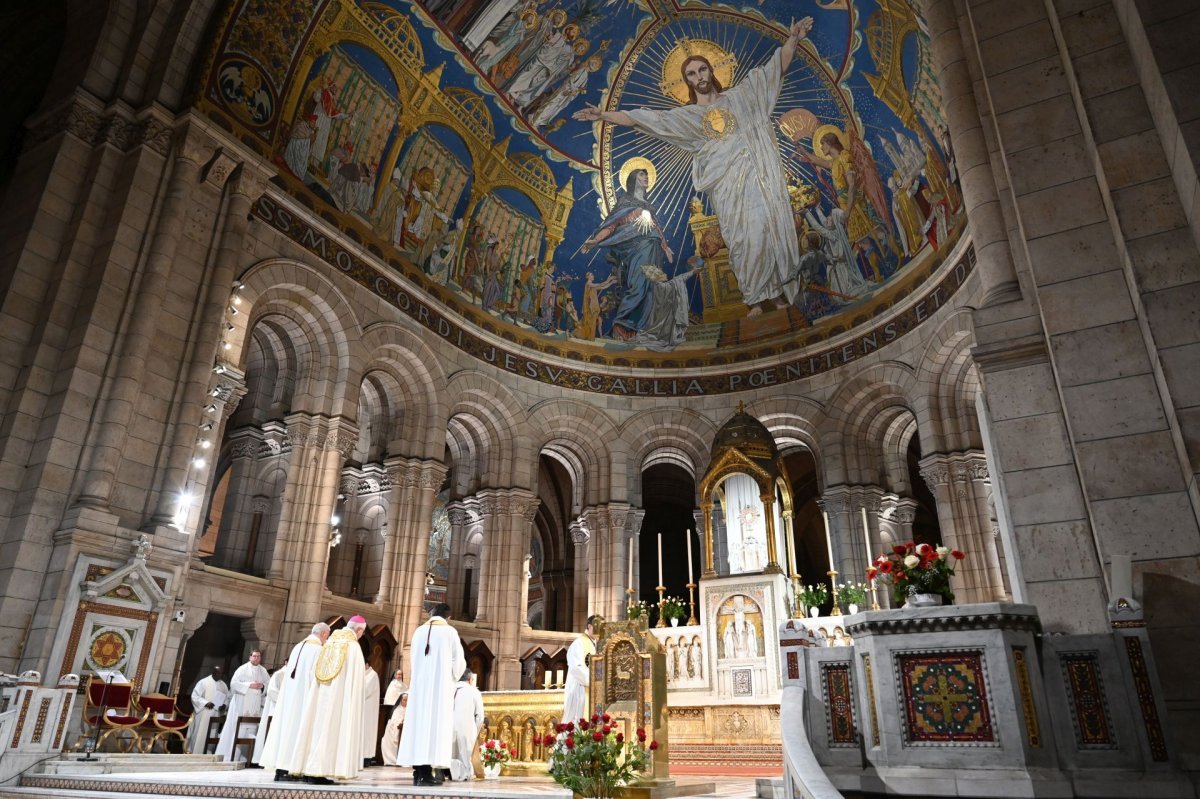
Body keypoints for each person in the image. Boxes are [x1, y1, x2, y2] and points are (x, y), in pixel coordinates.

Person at [573, 17, 814, 317]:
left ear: (711, 70)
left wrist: (793, 39)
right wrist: (603, 115)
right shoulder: (686, 117)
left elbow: (773, 71)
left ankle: (776, 294)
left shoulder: (741, 97)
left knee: (763, 229)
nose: (698, 75)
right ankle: (754, 297)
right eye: (691, 73)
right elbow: (646, 119)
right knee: (740, 237)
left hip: (755, 179)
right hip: (726, 188)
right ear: (686, 81)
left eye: (702, 69)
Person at [582, 168, 674, 342]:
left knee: (652, 289)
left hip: (653, 248)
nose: (645, 178)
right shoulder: (625, 201)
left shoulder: (649, 206)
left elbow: (656, 227)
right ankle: (622, 325)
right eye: (641, 175)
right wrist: (596, 240)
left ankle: (642, 329)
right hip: (636, 248)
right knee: (639, 286)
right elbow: (613, 225)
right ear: (633, 179)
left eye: (646, 175)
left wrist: (665, 246)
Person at [292, 616, 368, 784]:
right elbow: (356, 683)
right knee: (332, 730)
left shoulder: (329, 642)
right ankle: (320, 771)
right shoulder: (353, 647)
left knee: (316, 728)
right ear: (359, 630)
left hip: (320, 698)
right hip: (339, 702)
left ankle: (308, 769)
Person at [397, 602, 466, 787]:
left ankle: (418, 772)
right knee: (433, 728)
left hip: (419, 689)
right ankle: (427, 774)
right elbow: (459, 662)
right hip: (439, 690)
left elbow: (412, 658)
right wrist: (450, 678)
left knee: (419, 728)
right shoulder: (449, 632)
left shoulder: (418, 631)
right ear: (448, 617)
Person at [259, 622, 330, 782]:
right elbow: (317, 676)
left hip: (291, 698)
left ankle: (282, 769)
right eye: (328, 636)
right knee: (302, 730)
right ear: (324, 634)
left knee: (288, 730)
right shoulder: (319, 650)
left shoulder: (298, 646)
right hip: (306, 698)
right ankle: (299, 768)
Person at [216, 650, 269, 762]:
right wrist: (250, 685)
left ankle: (246, 759)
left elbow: (269, 684)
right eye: (254, 656)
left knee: (252, 730)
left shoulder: (263, 671)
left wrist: (262, 686)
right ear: (250, 657)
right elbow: (234, 684)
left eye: (258, 657)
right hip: (241, 705)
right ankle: (231, 756)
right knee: (238, 729)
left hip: (254, 708)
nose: (256, 658)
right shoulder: (242, 669)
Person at [250, 658, 288, 766]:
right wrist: (285, 700)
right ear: (286, 662)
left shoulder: (292, 674)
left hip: (285, 711)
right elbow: (271, 691)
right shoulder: (279, 674)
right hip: (276, 709)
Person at [562, 614, 600, 724]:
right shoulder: (579, 643)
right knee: (577, 722)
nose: (601, 630)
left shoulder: (596, 644)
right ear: (589, 626)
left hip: (593, 689)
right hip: (580, 689)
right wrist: (594, 681)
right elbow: (576, 668)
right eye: (598, 626)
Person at [450, 670, 484, 781]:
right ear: (470, 679)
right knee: (464, 755)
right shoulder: (474, 691)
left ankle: (450, 773)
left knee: (451, 753)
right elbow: (480, 716)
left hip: (449, 726)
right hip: (467, 727)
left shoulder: (450, 689)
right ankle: (464, 775)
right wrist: (476, 730)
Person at [186, 665, 228, 755]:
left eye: (220, 673)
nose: (219, 675)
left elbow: (227, 698)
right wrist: (205, 703)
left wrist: (224, 705)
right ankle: (196, 753)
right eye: (217, 673)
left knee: (212, 734)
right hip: (204, 712)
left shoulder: (223, 685)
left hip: (216, 714)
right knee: (200, 734)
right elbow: (195, 696)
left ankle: (208, 754)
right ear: (213, 672)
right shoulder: (203, 682)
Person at [362, 662, 380, 768]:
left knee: (367, 733)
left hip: (368, 710)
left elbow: (366, 690)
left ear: (367, 664)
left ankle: (366, 758)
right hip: (363, 709)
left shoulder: (372, 675)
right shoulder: (365, 674)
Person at [380, 692, 407, 765]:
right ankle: (393, 759)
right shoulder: (397, 710)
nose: (406, 702)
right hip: (395, 730)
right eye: (404, 700)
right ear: (400, 700)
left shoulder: (409, 709)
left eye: (407, 700)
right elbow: (394, 721)